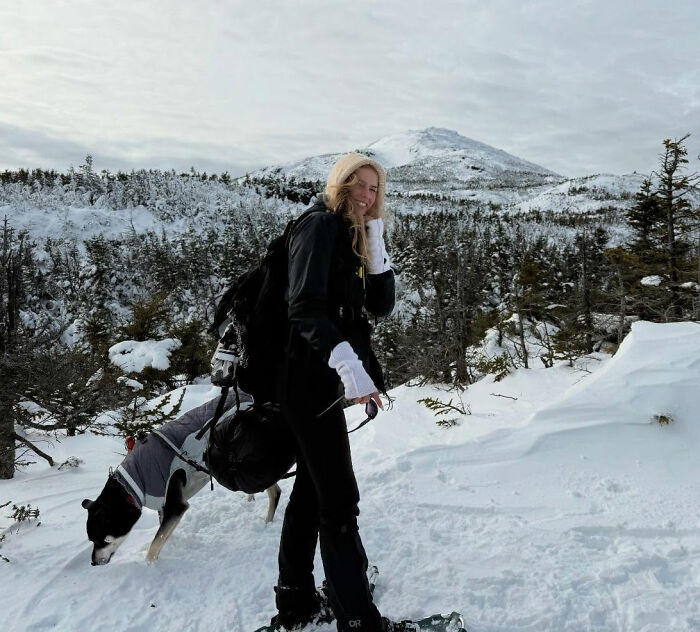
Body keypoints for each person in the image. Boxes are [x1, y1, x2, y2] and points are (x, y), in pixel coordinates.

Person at [272, 153, 404, 632]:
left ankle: (296, 603)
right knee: (339, 500)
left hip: (321, 382)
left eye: (374, 189)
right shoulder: (319, 227)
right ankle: (358, 618)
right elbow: (303, 309)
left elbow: (381, 306)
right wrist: (348, 365)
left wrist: (375, 241)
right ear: (339, 184)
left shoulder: (351, 236)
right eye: (358, 185)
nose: (366, 196)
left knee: (312, 491)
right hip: (304, 381)